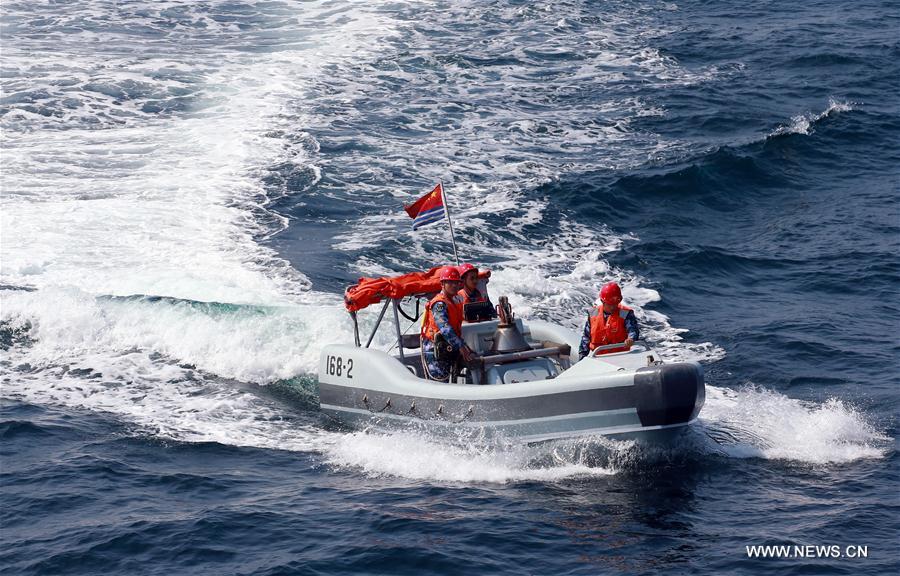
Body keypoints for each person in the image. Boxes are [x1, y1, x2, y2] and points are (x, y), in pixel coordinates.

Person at [421, 266, 476, 381]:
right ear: (443, 284)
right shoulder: (439, 304)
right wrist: (461, 346)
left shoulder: (456, 300)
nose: (454, 286)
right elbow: (444, 327)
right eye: (450, 283)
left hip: (450, 345)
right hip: (435, 348)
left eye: (456, 283)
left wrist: (464, 347)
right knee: (440, 380)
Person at [579, 282, 640, 359]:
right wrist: (582, 358)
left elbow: (633, 330)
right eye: (610, 304)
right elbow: (586, 337)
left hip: (621, 357)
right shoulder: (593, 313)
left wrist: (631, 338)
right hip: (598, 357)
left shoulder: (626, 314)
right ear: (602, 301)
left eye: (615, 304)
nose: (613, 307)